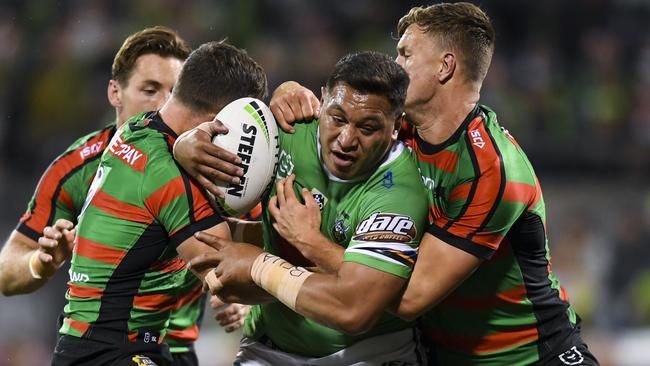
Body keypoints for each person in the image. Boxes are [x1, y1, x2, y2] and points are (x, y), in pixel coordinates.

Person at [178, 3, 600, 366]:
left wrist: (306, 245)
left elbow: (407, 296)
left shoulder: (489, 170)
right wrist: (288, 95)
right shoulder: (402, 135)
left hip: (527, 354)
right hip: (440, 354)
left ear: (445, 66)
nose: (394, 65)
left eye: (405, 54)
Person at [179, 51, 428, 365]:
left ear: (396, 127)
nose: (346, 139)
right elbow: (195, 132)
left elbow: (353, 310)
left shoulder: (400, 193)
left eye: (367, 129)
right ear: (321, 100)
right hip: (269, 347)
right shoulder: (285, 130)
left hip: (368, 353)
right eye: (337, 119)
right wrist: (186, 144)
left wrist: (268, 260)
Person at [46, 41, 267, 366]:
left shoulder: (136, 129)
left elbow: (213, 231)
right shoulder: (170, 178)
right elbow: (227, 278)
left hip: (106, 345)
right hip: (107, 353)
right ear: (219, 120)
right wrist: (313, 273)